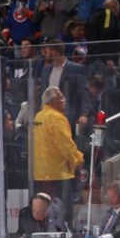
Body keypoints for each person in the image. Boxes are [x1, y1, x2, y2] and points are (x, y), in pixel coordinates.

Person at [33, 87, 84, 221]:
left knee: (43, 211)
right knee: (62, 212)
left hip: (41, 173)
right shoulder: (57, 118)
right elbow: (66, 145)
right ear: (51, 101)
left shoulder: (38, 116)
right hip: (58, 173)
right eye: (61, 98)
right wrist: (78, 159)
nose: (64, 100)